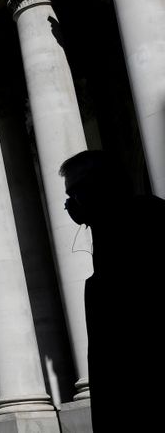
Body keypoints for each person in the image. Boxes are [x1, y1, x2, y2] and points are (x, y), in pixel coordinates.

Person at [60, 150, 165, 432]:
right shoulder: (108, 230)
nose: (70, 204)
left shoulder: (143, 222)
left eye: (75, 193)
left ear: (102, 186)